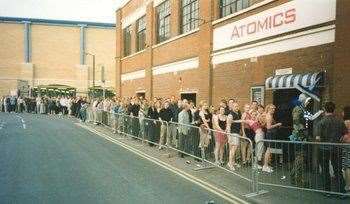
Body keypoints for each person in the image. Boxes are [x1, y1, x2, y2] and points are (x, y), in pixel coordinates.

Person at [315, 102, 347, 195]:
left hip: (324, 148)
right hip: (337, 148)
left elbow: (318, 138)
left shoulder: (321, 122)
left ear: (324, 109)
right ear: (334, 109)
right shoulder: (340, 121)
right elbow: (345, 135)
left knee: (325, 170)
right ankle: (341, 191)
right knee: (338, 170)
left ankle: (326, 191)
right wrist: (339, 141)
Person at [264, 104, 282, 173]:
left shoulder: (270, 115)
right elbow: (268, 127)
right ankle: (265, 166)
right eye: (272, 109)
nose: (273, 110)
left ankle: (266, 165)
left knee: (269, 150)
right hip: (270, 134)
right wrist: (277, 124)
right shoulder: (268, 116)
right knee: (268, 150)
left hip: (271, 134)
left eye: (274, 109)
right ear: (268, 109)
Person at [226, 102, 241, 171]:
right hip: (233, 134)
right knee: (233, 149)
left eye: (237, 106)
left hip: (236, 133)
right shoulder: (230, 115)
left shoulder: (237, 113)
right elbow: (228, 126)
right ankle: (230, 163)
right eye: (235, 106)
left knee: (234, 148)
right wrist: (229, 137)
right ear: (232, 107)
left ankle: (232, 162)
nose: (237, 107)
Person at [342, 106, 350, 192]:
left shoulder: (345, 123)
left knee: (346, 166)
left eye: (343, 112)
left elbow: (343, 135)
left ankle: (348, 185)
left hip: (346, 145)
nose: (342, 113)